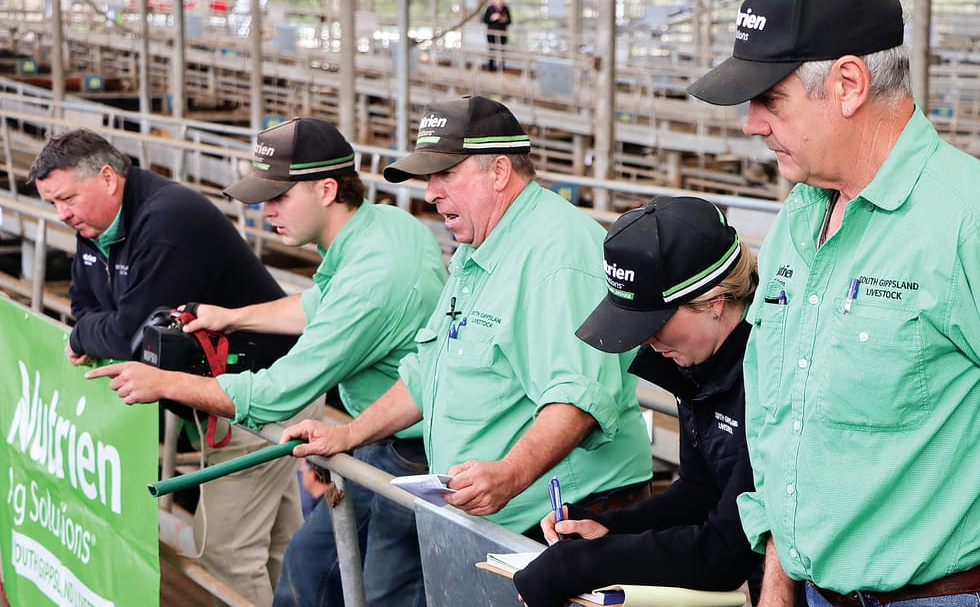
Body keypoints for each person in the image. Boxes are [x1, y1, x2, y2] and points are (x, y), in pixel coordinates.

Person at [687, 0, 980, 607]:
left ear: (849, 84)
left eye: (770, 99)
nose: (752, 123)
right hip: (815, 592)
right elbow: (783, 423)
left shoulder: (974, 226)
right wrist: (778, 583)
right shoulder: (798, 219)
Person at [86, 117, 447, 607]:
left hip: (410, 449)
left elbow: (276, 395)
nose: (265, 209)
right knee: (310, 565)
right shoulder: (387, 226)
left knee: (376, 590)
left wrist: (164, 382)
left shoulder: (372, 281)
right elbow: (320, 304)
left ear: (326, 190)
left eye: (278, 197)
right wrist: (231, 316)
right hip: (392, 433)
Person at [281, 95, 653, 538]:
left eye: (446, 174)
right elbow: (426, 372)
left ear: (499, 171)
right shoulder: (480, 247)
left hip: (562, 517)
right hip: (497, 512)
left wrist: (511, 473)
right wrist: (348, 435)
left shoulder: (558, 253)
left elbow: (577, 397)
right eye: (429, 177)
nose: (430, 193)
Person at [29, 128, 304, 607]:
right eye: (52, 203)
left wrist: (86, 334)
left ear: (108, 179)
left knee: (229, 554)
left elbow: (131, 337)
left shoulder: (168, 221)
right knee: (282, 544)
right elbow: (84, 306)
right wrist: (94, 328)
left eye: (67, 198)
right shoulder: (96, 226)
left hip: (259, 394)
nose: (62, 214)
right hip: (220, 397)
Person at [513, 196, 763, 606]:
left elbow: (727, 549)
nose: (646, 340)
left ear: (715, 302)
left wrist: (581, 565)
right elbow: (699, 493)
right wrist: (609, 528)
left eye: (654, 322)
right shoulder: (699, 357)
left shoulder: (770, 368)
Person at [482, 0, 511, 71]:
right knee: (492, 49)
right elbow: (485, 20)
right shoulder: (490, 9)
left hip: (502, 33)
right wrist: (492, 18)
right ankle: (491, 67)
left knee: (502, 50)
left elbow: (509, 21)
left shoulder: (505, 9)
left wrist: (504, 19)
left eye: (501, 2)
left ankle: (502, 67)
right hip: (491, 33)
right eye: (498, 2)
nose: (500, 3)